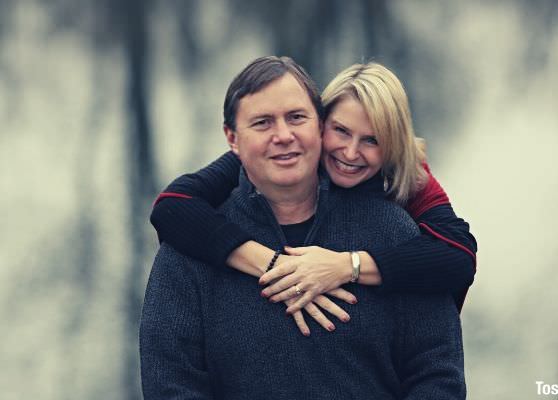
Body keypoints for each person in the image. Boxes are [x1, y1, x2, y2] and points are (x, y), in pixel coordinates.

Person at [139, 56, 466, 399]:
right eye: (263, 122)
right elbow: (170, 385)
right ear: (232, 139)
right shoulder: (189, 244)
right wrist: (270, 264)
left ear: (316, 125)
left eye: (296, 117)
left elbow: (437, 372)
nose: (283, 135)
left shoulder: (395, 229)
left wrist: (350, 265)